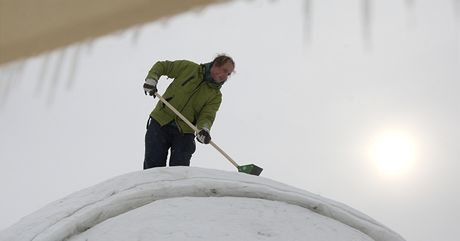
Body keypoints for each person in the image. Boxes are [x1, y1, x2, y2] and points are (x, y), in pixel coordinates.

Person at [142, 54, 235, 169]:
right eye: (225, 70)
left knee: (179, 172)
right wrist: (152, 79)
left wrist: (204, 129)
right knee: (153, 168)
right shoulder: (189, 68)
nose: (225, 76)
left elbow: (207, 116)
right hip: (160, 122)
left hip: (184, 132)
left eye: (228, 74)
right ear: (216, 64)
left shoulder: (215, 96)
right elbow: (163, 66)